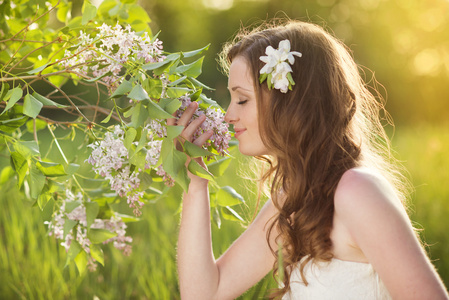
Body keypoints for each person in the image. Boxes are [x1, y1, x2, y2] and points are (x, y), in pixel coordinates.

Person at [172, 20, 449, 299]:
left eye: (242, 100)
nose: (228, 115)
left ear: (291, 103)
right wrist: (195, 183)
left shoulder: (357, 190)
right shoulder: (295, 199)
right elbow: (204, 294)